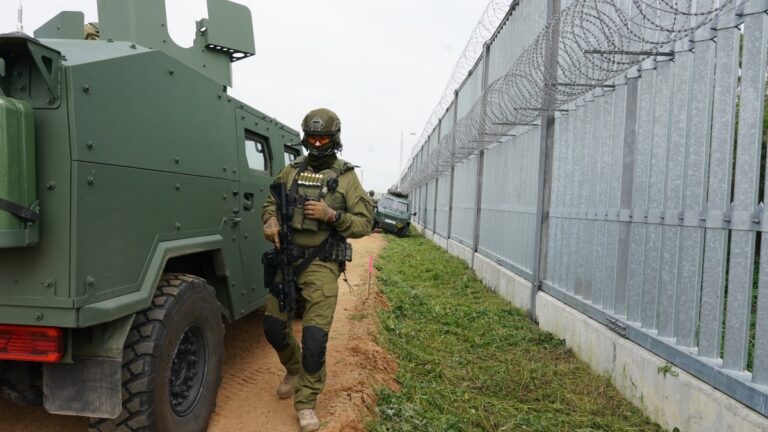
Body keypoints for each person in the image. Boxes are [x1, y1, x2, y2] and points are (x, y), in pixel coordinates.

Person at [261, 108, 373, 432]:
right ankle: (293, 369)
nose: (317, 143)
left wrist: (331, 215)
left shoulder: (347, 177)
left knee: (313, 338)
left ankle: (306, 401)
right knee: (273, 327)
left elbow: (366, 223)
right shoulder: (292, 170)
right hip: (287, 258)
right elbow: (271, 201)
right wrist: (269, 220)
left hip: (321, 262)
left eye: (323, 138)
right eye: (312, 138)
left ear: (334, 139)